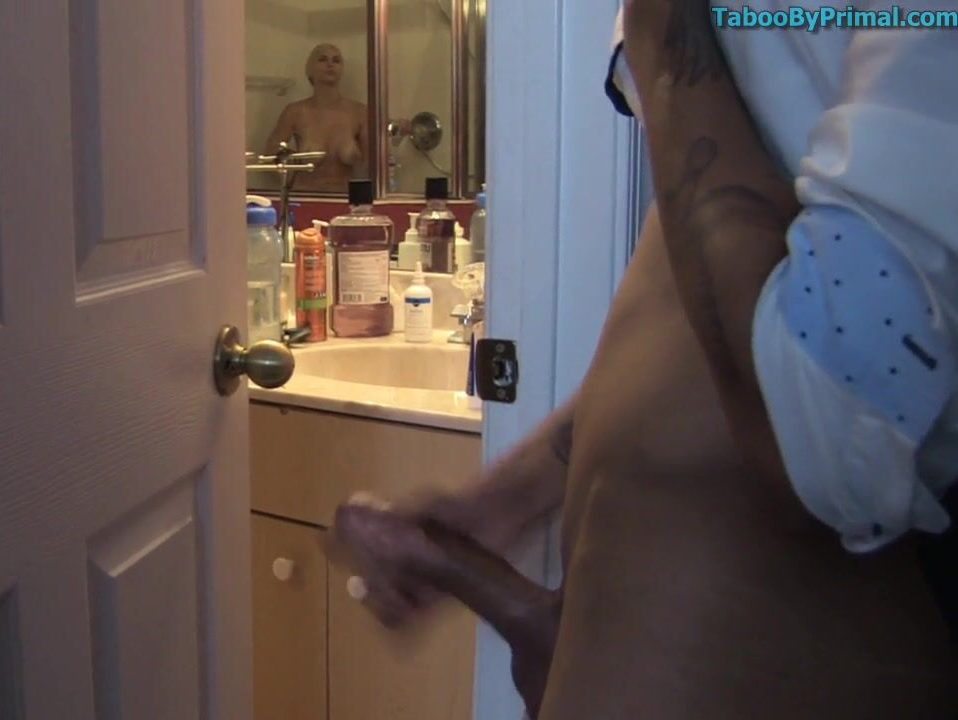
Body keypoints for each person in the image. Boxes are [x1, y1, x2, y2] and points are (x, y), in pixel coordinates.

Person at [329, 1, 958, 717]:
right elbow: (694, 309)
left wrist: (660, 29)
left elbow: (824, 430)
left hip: (766, 647)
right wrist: (508, 501)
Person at [263, 43, 369, 193]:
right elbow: (269, 156)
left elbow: (375, 165)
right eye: (323, 59)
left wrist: (356, 158)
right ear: (310, 69)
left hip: (345, 197)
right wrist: (296, 161)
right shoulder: (295, 111)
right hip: (305, 195)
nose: (330, 64)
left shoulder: (358, 112)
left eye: (336, 60)